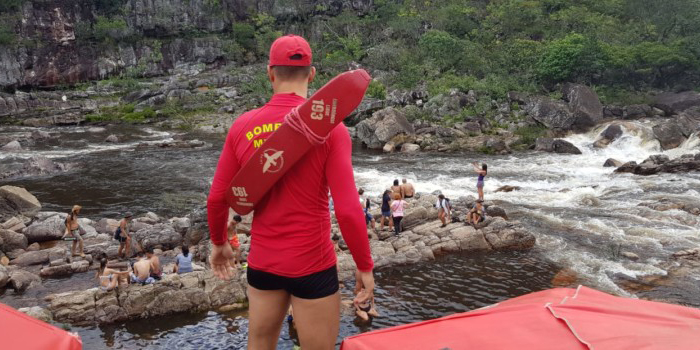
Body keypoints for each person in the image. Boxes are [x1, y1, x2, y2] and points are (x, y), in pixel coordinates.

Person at [206, 34, 374, 350]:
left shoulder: (242, 125)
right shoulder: (332, 130)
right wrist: (364, 266)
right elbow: (349, 209)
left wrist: (218, 244)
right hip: (313, 264)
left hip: (264, 264)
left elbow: (217, 198)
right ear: (312, 75)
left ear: (270, 73)